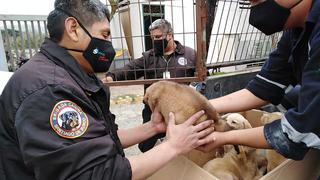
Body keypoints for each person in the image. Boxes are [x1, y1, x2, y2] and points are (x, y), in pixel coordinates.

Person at [0, 1, 214, 180]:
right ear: (73, 29)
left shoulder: (70, 75)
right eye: (104, 34)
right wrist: (173, 147)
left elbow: (98, 141)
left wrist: (151, 127)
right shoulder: (50, 91)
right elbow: (94, 174)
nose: (108, 44)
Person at [197, 0, 320, 161]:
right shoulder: (295, 31)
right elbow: (264, 87)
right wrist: (203, 108)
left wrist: (223, 137)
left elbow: (300, 130)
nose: (254, 7)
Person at [103, 19, 197, 152]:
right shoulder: (149, 57)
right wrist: (112, 76)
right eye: (153, 38)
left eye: (158, 37)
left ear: (169, 35)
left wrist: (194, 90)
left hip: (179, 112)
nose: (155, 41)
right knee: (148, 147)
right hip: (153, 112)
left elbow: (202, 78)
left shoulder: (190, 54)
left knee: (181, 148)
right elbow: (131, 68)